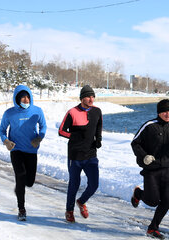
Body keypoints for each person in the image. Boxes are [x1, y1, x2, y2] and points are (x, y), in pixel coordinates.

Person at [130, 99, 169, 239]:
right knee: (153, 201)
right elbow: (135, 143)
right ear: (159, 112)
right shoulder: (149, 126)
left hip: (167, 170)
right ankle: (138, 193)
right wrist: (144, 156)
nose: (167, 114)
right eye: (164, 111)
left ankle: (152, 228)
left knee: (166, 201)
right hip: (151, 169)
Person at [0, 85, 47, 221]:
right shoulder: (9, 113)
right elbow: (2, 130)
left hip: (31, 150)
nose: (25, 100)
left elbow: (43, 126)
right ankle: (21, 209)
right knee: (20, 176)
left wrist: (39, 138)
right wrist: (6, 141)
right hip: (16, 150)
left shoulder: (37, 111)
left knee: (29, 182)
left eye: (27, 97)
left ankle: (19, 188)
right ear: (17, 99)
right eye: (22, 97)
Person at [59, 85, 102, 223]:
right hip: (75, 155)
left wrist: (99, 139)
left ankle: (82, 201)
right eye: (88, 96)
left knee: (94, 184)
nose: (91, 99)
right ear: (82, 98)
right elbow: (61, 130)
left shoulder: (97, 111)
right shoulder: (72, 112)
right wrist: (74, 136)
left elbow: (98, 127)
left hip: (91, 154)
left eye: (93, 96)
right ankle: (69, 211)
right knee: (74, 184)